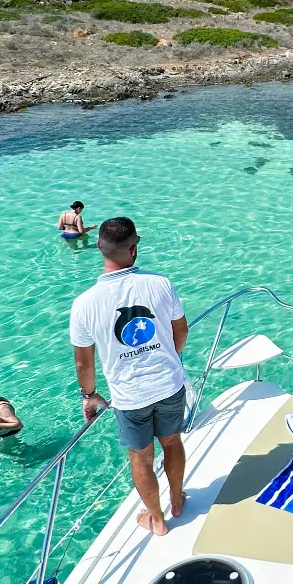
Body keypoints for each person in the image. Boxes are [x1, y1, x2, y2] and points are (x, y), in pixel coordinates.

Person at [69, 216, 189, 536]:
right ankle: (178, 500)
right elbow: (181, 331)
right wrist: (171, 359)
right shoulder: (160, 283)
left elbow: (84, 363)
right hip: (169, 384)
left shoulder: (83, 305)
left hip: (129, 397)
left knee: (141, 458)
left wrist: (89, 394)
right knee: (173, 442)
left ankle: (158, 519)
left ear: (99, 247)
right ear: (134, 249)